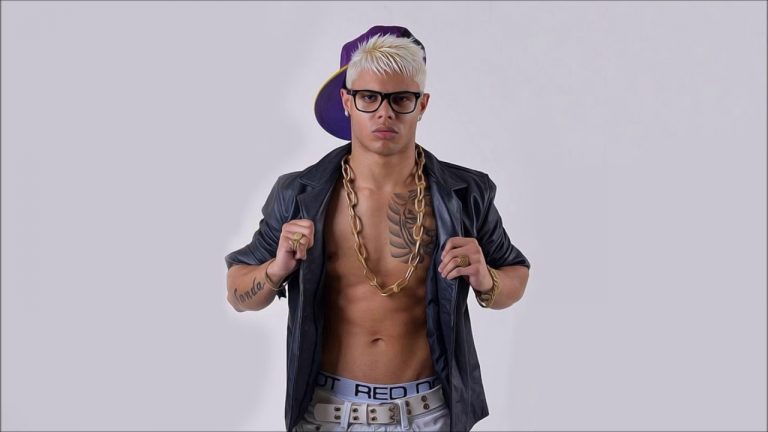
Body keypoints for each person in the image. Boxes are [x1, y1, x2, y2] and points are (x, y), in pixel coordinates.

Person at [225, 25, 531, 431]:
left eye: (400, 99)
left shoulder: (465, 193)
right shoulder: (298, 193)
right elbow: (237, 293)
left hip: (429, 413)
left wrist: (486, 278)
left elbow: (515, 276)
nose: (384, 113)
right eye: (369, 97)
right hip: (327, 413)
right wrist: (276, 270)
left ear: (422, 105)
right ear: (347, 102)